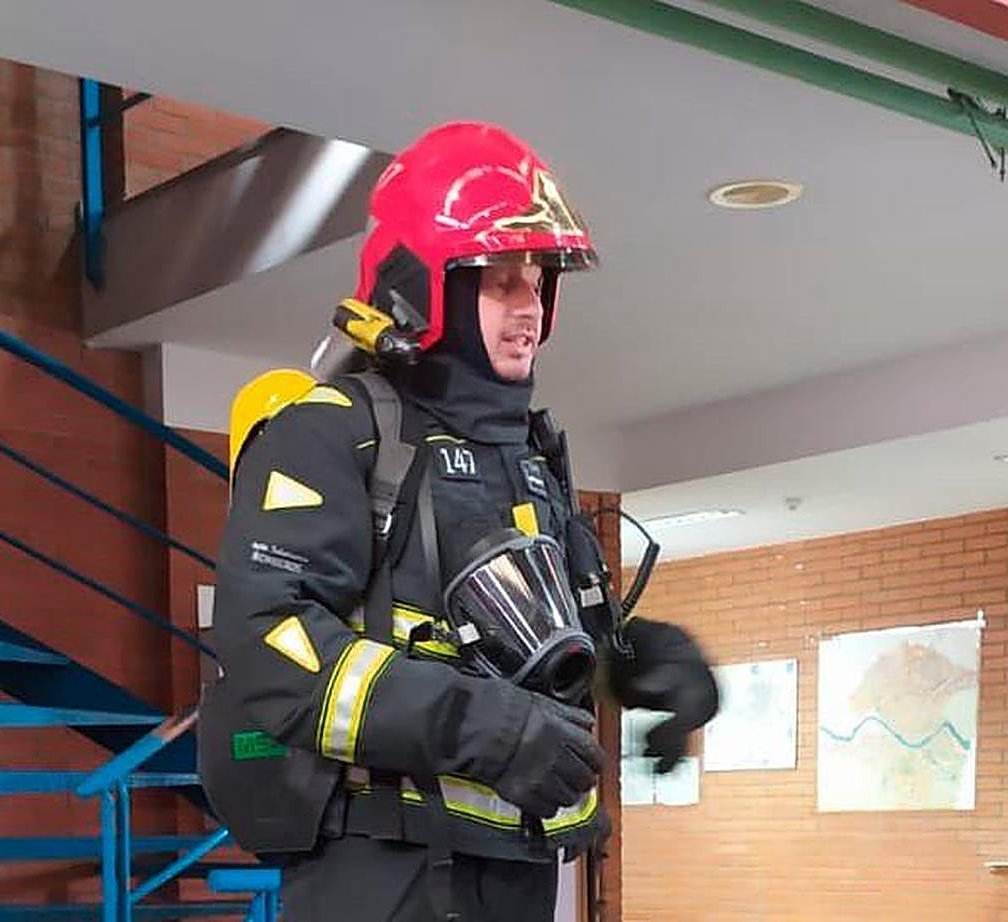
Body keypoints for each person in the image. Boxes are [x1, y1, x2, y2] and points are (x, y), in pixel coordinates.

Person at [199, 122, 718, 922]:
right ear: (422, 283)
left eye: (540, 279)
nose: (530, 309)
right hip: (381, 875)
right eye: (499, 279)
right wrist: (487, 730)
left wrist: (650, 665)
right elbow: (271, 642)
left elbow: (543, 643)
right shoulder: (331, 431)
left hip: (516, 866)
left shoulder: (530, 459)